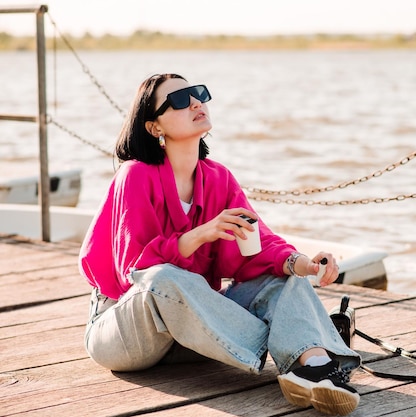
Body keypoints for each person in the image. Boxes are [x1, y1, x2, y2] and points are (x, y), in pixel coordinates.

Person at [78, 73, 361, 416]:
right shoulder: (135, 174)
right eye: (180, 100)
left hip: (196, 332)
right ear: (155, 128)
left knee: (283, 280)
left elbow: (255, 248)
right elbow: (132, 271)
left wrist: (302, 263)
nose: (196, 102)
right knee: (162, 278)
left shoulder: (219, 178)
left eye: (198, 94)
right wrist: (200, 234)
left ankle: (313, 367)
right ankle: (289, 340)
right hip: (129, 332)